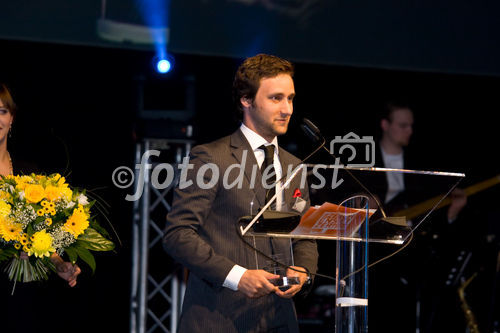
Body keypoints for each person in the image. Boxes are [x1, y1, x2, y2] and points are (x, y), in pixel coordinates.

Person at [163, 54, 318, 332]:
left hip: (280, 320)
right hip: (220, 317)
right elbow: (178, 235)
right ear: (246, 100)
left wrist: (303, 270)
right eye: (276, 98)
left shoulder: (294, 167)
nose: (287, 109)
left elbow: (304, 236)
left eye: (291, 98)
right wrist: (238, 276)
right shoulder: (210, 157)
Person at [369, 100, 468, 332]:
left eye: (411, 126)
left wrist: (452, 213)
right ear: (385, 125)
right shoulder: (365, 161)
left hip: (411, 253)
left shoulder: (420, 165)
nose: (409, 131)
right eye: (403, 125)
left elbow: (434, 220)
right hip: (376, 256)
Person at [0, 82, 81, 286]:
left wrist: (58, 264)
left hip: (20, 289)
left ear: (12, 119)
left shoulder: (29, 172)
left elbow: (41, 235)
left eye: (2, 111)